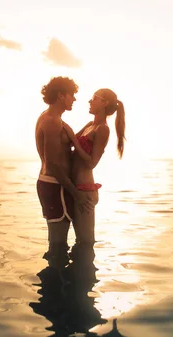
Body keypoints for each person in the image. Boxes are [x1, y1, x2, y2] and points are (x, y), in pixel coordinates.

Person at [35, 76, 92, 266]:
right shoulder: (52, 121)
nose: (74, 99)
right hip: (56, 186)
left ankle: (59, 286)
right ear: (61, 95)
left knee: (59, 244)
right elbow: (52, 163)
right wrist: (75, 193)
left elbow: (60, 148)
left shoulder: (52, 118)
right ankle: (54, 290)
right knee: (58, 245)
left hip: (55, 185)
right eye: (72, 95)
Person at [64, 88, 126, 249]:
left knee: (85, 242)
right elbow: (68, 142)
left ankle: (87, 273)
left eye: (94, 98)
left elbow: (92, 162)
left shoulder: (103, 129)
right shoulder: (90, 125)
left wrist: (74, 140)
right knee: (77, 242)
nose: (90, 102)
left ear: (104, 103)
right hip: (73, 188)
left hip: (85, 190)